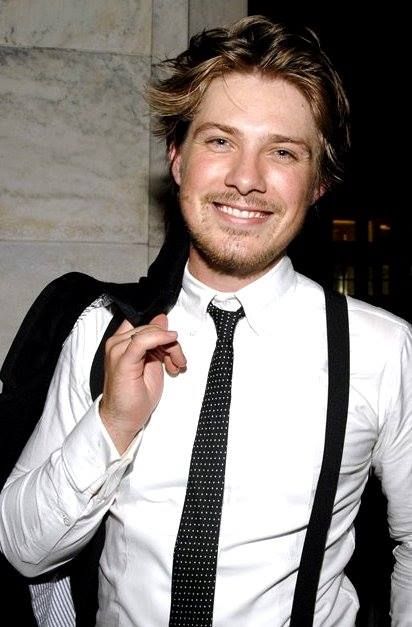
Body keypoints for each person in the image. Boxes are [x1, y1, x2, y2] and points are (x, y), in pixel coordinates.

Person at [0, 15, 411, 626]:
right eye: (219, 140)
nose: (246, 178)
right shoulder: (101, 329)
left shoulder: (381, 348)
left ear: (319, 183)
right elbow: (24, 552)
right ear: (176, 157)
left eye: (283, 151)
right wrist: (111, 425)